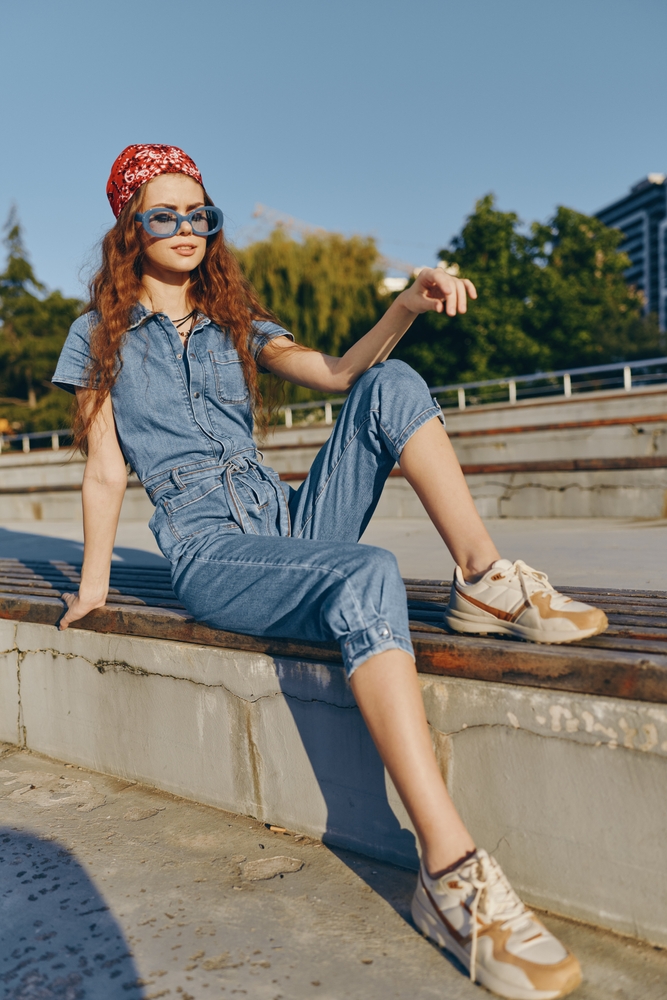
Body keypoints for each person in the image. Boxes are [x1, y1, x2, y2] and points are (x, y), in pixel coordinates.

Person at [54, 144, 606, 999]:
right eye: (162, 213)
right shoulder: (97, 334)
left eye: (199, 212)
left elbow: (341, 373)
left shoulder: (237, 317)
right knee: (365, 573)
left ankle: (480, 575)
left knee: (390, 385)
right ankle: (449, 870)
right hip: (209, 547)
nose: (185, 228)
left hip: (282, 520)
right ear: (130, 224)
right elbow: (103, 470)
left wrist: (403, 305)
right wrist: (93, 589)